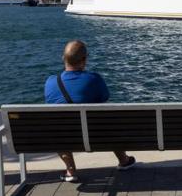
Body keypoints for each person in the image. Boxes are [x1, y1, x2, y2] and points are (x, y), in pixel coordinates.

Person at [45, 40, 136, 182]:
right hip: (97, 136)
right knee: (109, 122)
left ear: (63, 58)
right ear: (84, 60)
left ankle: (70, 170)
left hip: (64, 136)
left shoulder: (50, 82)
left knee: (58, 127)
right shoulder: (94, 79)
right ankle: (123, 160)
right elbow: (104, 97)